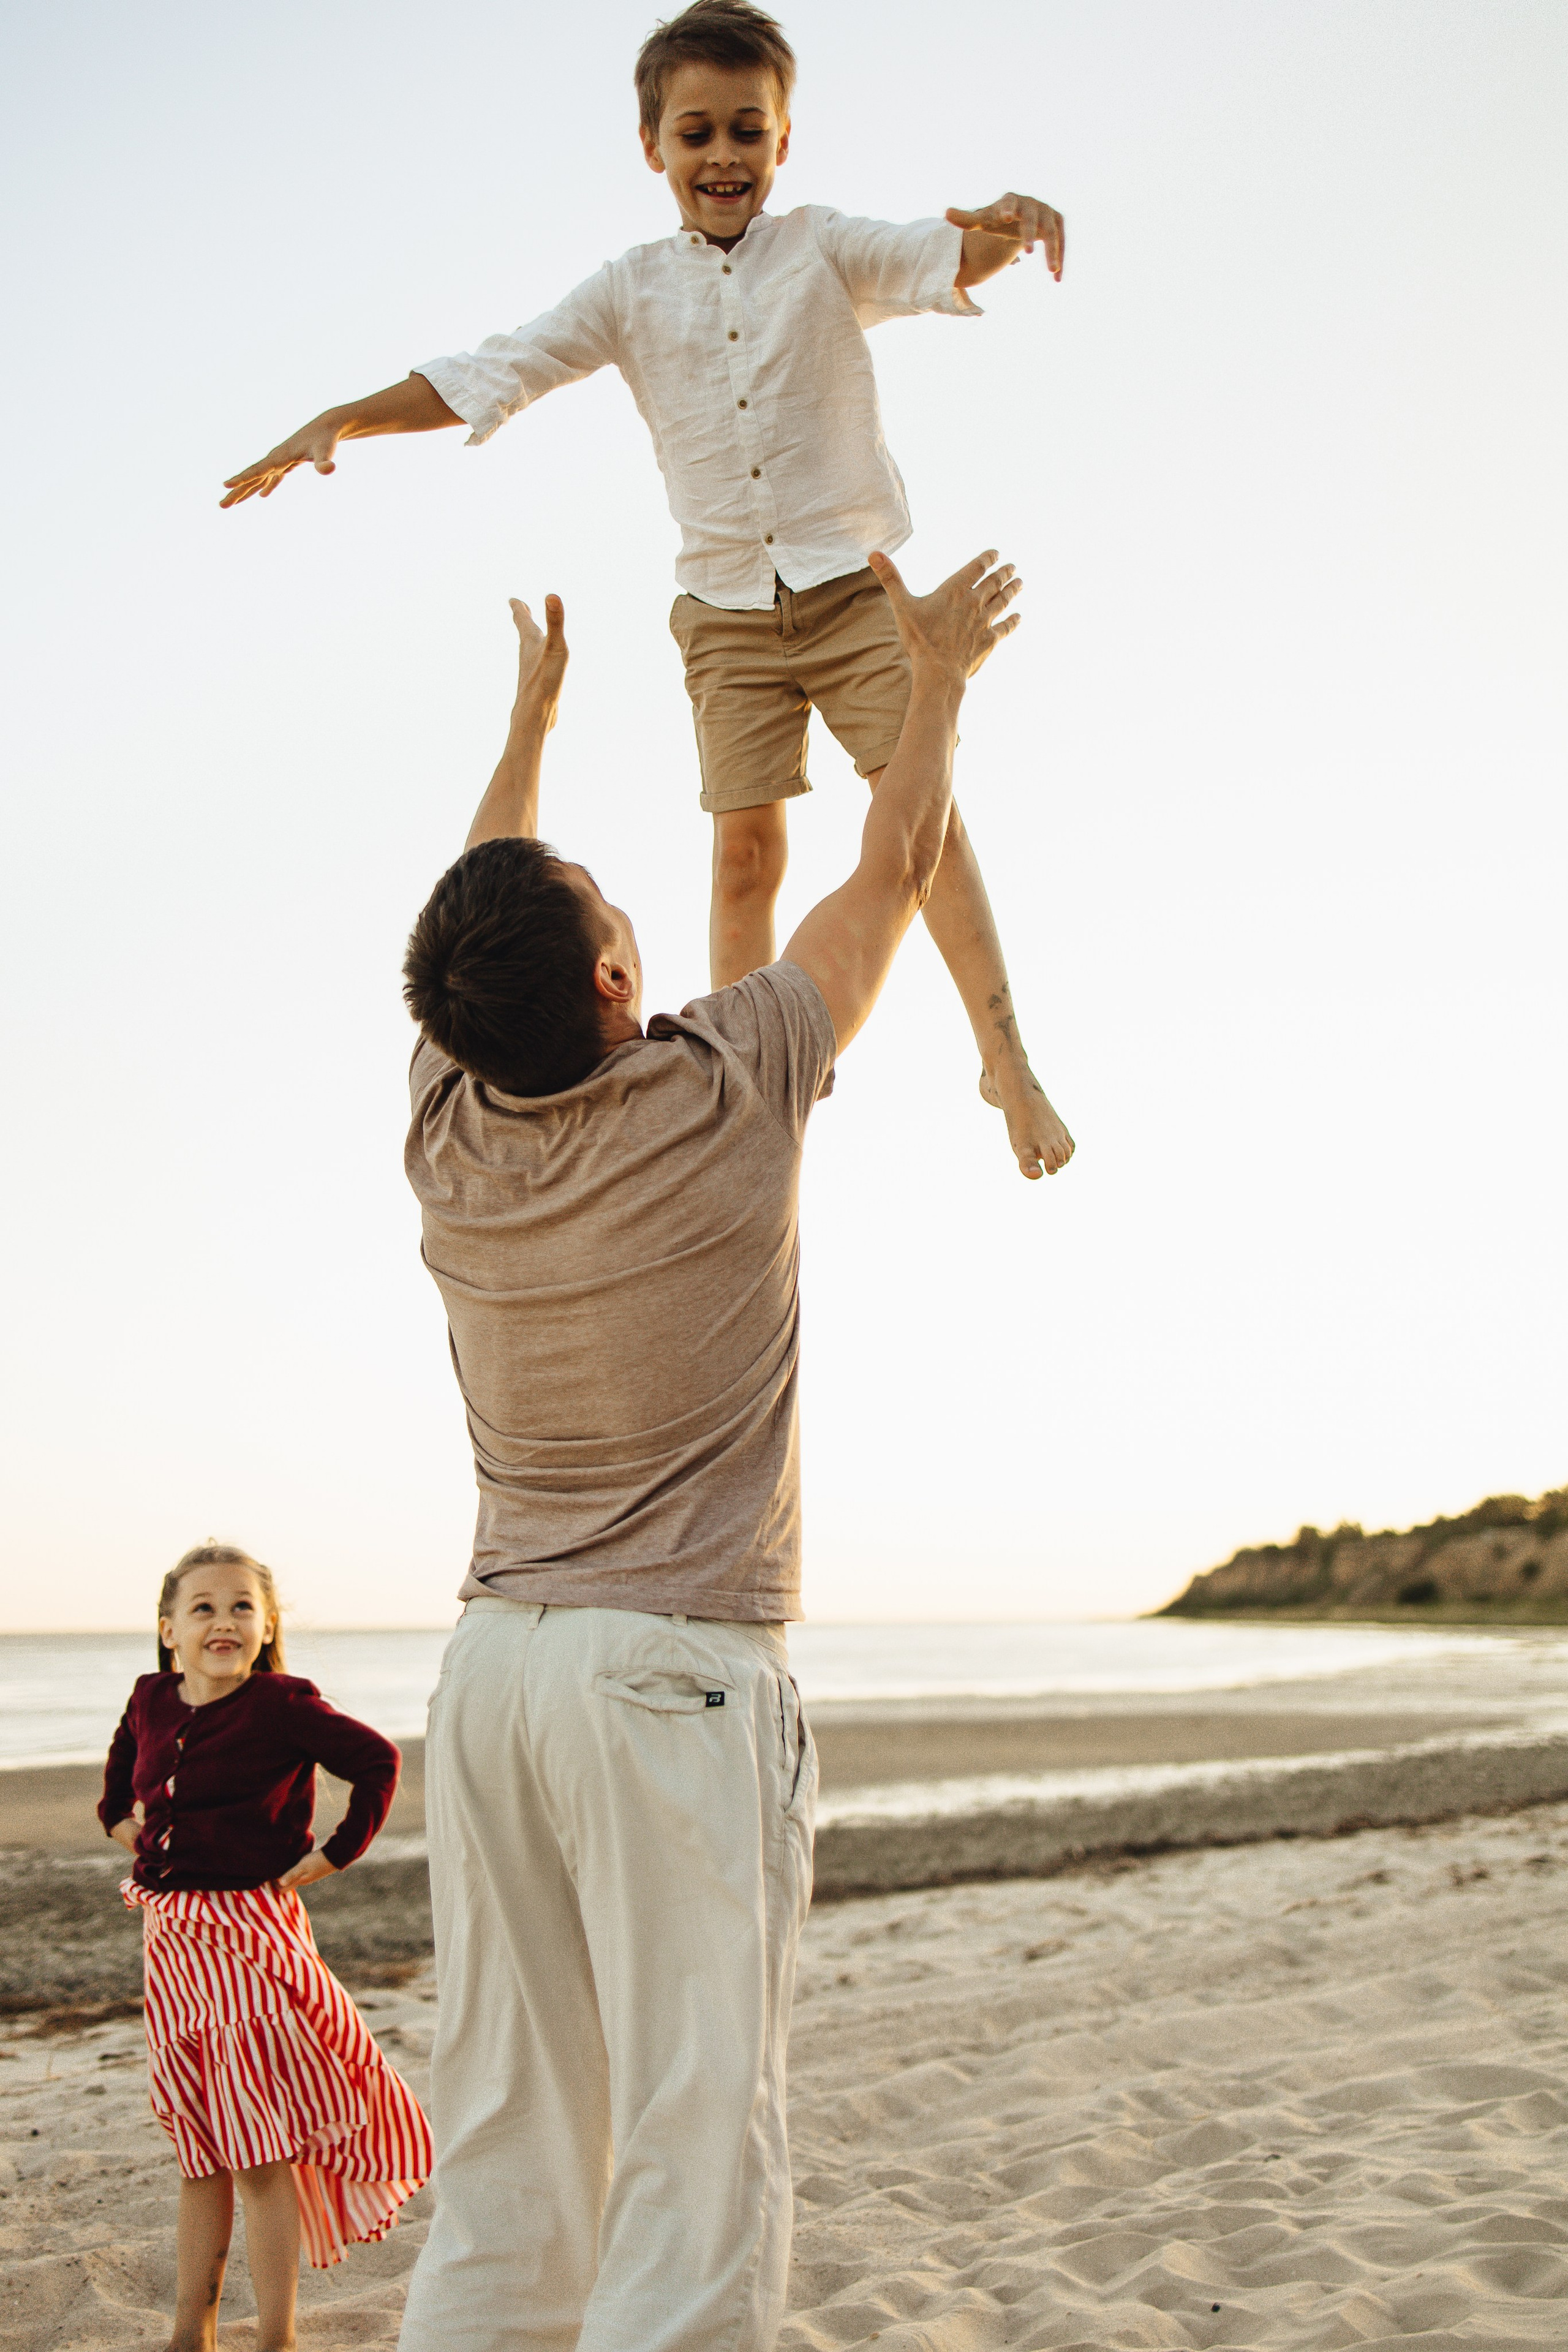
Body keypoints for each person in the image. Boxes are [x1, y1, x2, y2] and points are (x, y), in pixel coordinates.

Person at [396, 542, 1016, 2351]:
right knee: (692, 2144)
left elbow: (473, 923)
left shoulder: (446, 1121)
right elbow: (891, 866)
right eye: (611, 909)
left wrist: (527, 728)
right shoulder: (728, 1085)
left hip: (493, 1675)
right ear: (612, 977)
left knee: (508, 2137)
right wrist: (932, 680)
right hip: (667, 1679)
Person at [221, 0, 1074, 1187]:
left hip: (853, 589)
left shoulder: (821, 248)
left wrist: (1002, 234)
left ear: (782, 140)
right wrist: (344, 420)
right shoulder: (629, 290)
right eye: (695, 134)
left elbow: (938, 258)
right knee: (743, 857)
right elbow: (498, 367)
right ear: (652, 147)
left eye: (746, 131)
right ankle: (748, 1086)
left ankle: (1004, 1056)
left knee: (917, 810)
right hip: (725, 615)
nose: (722, 156)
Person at [99, 1542, 432, 2347]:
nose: (223, 1621)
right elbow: (122, 1764)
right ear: (169, 1629)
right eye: (203, 1607)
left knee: (257, 2149)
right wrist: (120, 1823)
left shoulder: (282, 1704)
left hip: (251, 1936)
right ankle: (192, 2334)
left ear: (268, 1624)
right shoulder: (150, 1698)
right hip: (170, 1940)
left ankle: (277, 2337)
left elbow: (378, 1761)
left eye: (242, 1606)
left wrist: (336, 1853)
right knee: (200, 2149)